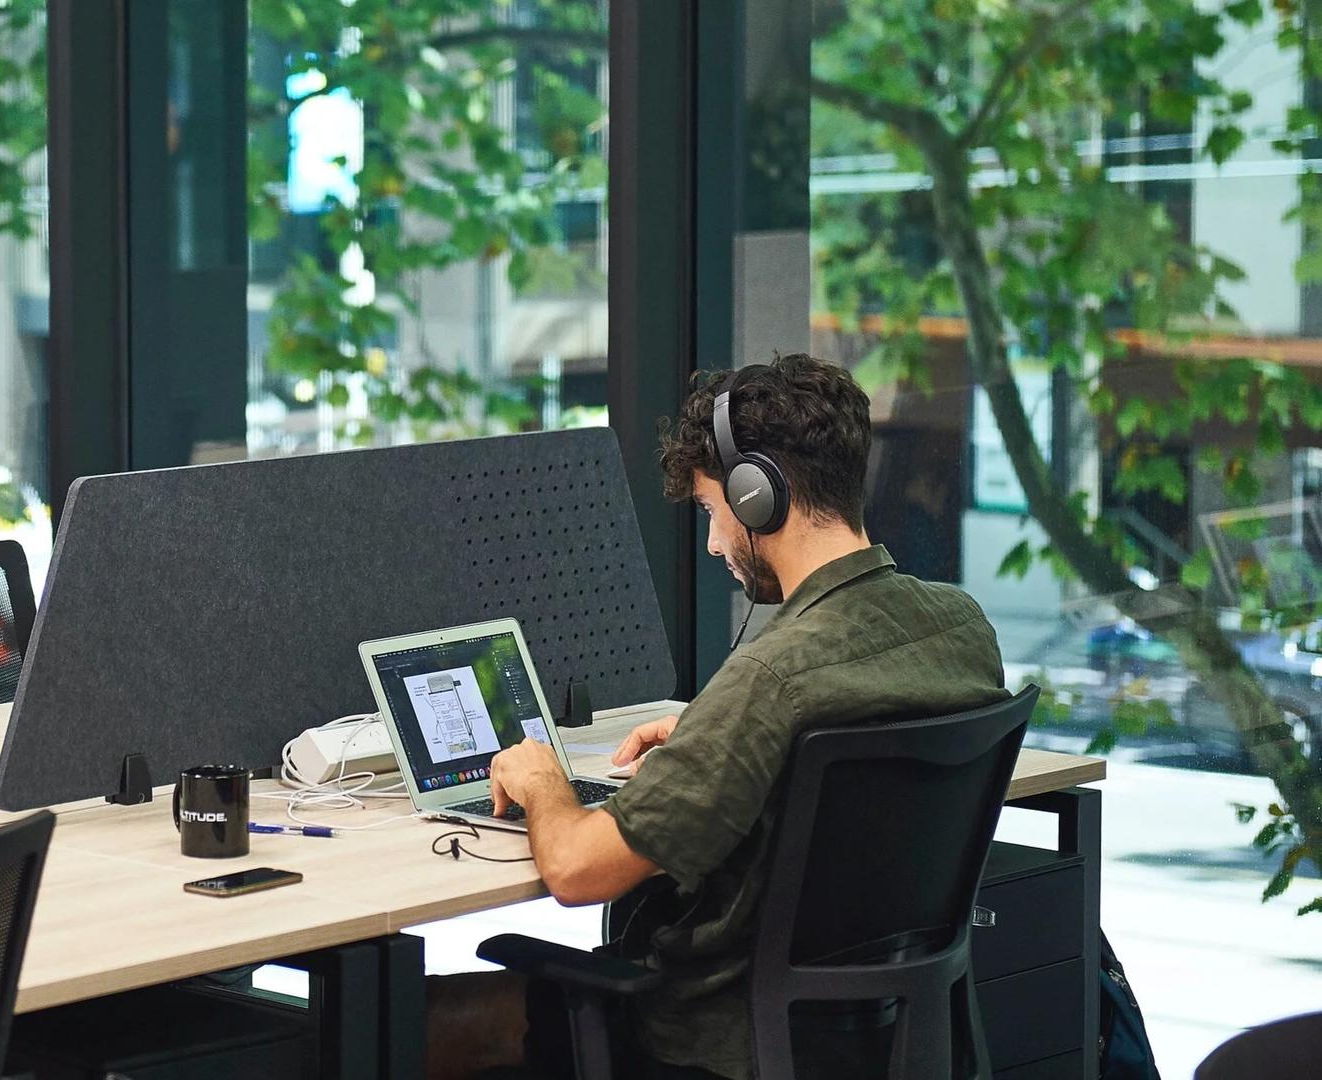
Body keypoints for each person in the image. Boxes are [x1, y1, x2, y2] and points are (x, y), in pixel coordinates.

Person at [427, 352, 1009, 1080]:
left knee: (401, 1025)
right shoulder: (960, 628)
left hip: (710, 1038)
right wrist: (722, 743)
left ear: (757, 494)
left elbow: (577, 872)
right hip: (879, 1035)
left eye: (711, 510)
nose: (710, 542)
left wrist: (545, 781)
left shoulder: (771, 677)